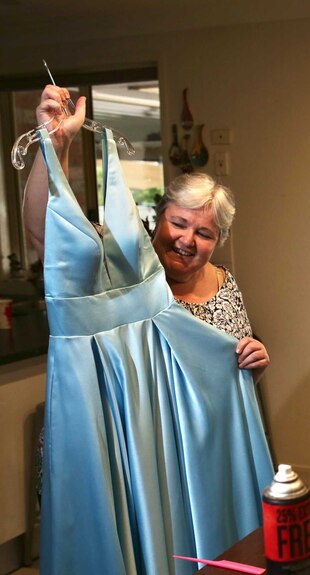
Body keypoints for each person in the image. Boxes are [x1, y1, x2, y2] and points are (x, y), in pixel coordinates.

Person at [24, 85, 269, 378]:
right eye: (178, 224)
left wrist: (256, 364)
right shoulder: (117, 261)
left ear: (219, 241)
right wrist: (56, 143)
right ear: (158, 215)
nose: (187, 240)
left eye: (204, 234)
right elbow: (47, 232)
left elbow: (233, 380)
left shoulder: (224, 284)